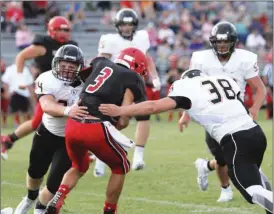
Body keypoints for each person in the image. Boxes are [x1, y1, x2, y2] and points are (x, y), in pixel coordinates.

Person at [99, 69, 273, 214]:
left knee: (251, 191)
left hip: (234, 139)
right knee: (254, 174)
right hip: (256, 132)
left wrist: (121, 109)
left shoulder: (186, 87)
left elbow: (153, 107)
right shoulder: (223, 79)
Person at [44, 47, 148, 214]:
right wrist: (118, 123)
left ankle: (57, 199)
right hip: (95, 126)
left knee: (79, 165)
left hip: (73, 124)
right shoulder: (133, 77)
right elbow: (123, 117)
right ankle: (109, 210)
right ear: (139, 66)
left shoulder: (100, 62)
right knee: (121, 166)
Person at [187, 21, 267, 202]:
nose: (222, 46)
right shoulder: (201, 59)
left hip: (238, 111)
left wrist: (254, 109)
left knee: (245, 150)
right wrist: (185, 114)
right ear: (213, 42)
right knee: (223, 156)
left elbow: (260, 88)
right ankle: (225, 189)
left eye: (226, 42)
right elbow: (190, 88)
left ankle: (206, 166)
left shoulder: (244, 59)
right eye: (219, 42)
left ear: (233, 42)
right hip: (213, 113)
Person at [14, 44, 86, 214]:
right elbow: (47, 105)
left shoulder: (86, 83)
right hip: (47, 132)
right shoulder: (46, 79)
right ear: (56, 64)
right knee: (35, 172)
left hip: (70, 138)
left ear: (79, 68)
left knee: (54, 183)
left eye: (71, 67)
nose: (67, 70)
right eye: (63, 66)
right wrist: (68, 110)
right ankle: (30, 197)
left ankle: (38, 211)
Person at [94, 8, 161, 176]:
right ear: (118, 25)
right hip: (117, 82)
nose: (126, 28)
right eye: (123, 25)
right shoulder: (110, 40)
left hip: (137, 80)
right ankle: (101, 156)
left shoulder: (141, 37)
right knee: (120, 121)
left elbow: (147, 58)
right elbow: (100, 62)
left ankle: (139, 156)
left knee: (144, 115)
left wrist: (154, 76)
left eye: (130, 25)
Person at [1, 16, 77, 160]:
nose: (63, 32)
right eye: (60, 29)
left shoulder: (71, 45)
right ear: (52, 30)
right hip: (48, 88)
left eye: (66, 30)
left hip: (67, 87)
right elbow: (21, 56)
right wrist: (20, 78)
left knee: (69, 117)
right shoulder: (44, 45)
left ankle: (9, 139)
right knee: (40, 121)